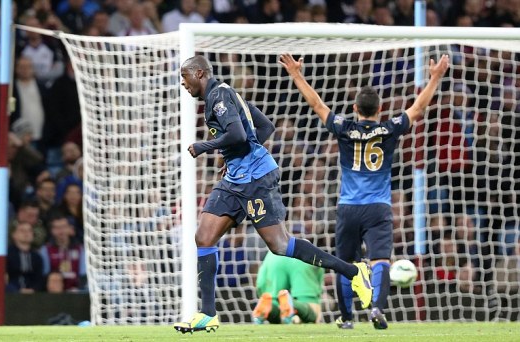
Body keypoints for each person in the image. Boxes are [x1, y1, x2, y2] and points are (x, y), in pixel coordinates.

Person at [173, 55, 372, 334]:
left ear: (199, 73)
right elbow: (265, 126)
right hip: (235, 179)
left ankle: (354, 273)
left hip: (256, 179)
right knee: (203, 236)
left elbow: (239, 135)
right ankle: (207, 314)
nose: (183, 83)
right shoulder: (228, 93)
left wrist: (205, 146)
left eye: (185, 77)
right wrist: (234, 159)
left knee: (280, 246)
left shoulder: (218, 97)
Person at [278, 53, 450, 330]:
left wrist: (297, 74)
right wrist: (436, 78)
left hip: (348, 207)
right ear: (379, 109)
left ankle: (347, 318)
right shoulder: (389, 128)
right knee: (380, 259)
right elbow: (418, 109)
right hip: (378, 207)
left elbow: (316, 104)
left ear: (355, 107)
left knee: (345, 262)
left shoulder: (344, 128)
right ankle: (377, 309)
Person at [252, 251, 324, 324]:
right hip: (301, 253)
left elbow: (261, 283)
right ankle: (293, 305)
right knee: (314, 312)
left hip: (274, 255)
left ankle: (270, 307)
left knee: (273, 302)